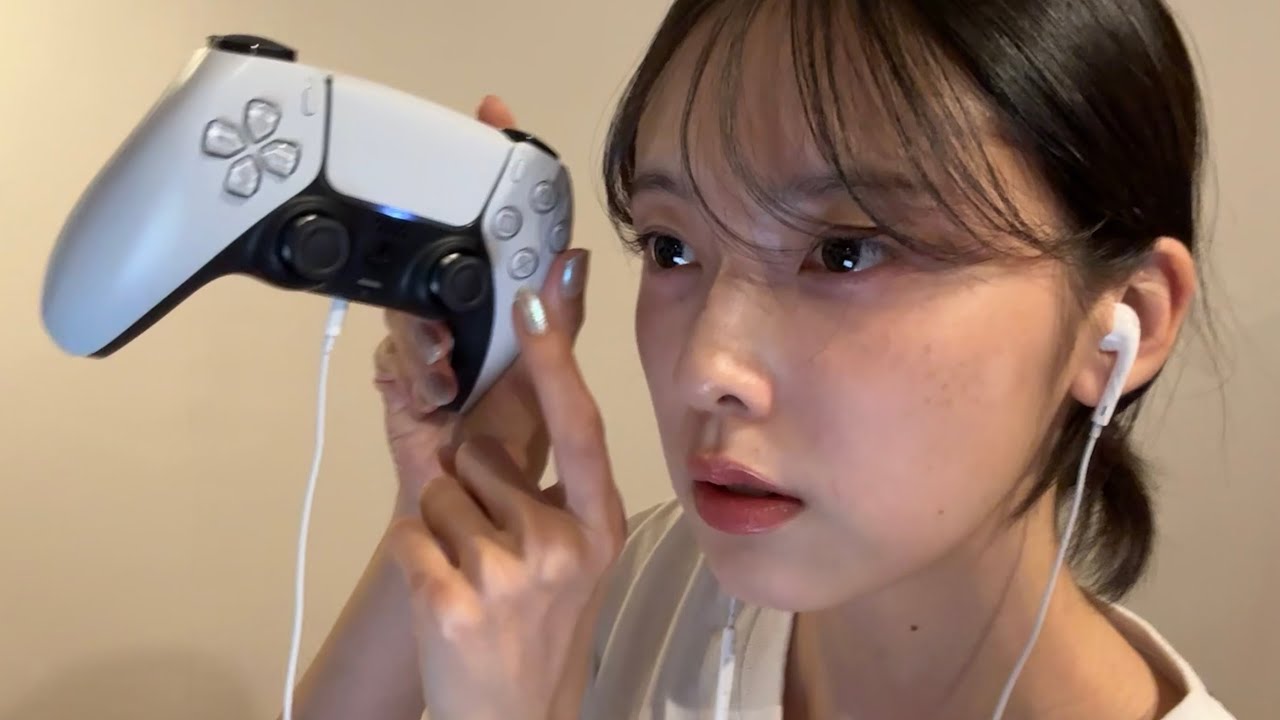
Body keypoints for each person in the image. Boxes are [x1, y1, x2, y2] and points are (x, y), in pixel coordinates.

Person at [285, 0, 1237, 717]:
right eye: (671, 247)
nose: (705, 365)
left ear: (1124, 322)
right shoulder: (627, 587)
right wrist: (448, 499)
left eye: (848, 253)